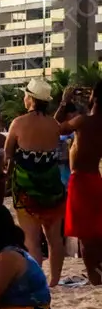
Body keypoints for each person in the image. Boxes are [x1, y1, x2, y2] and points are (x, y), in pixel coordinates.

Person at [4, 78, 65, 286]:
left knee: (31, 239)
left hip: (26, 187)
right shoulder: (54, 125)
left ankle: (37, 279)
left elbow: (8, 153)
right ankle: (55, 280)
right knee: (54, 238)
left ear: (29, 98)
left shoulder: (18, 123)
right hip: (52, 186)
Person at [56, 82, 102, 285]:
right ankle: (98, 272)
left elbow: (56, 128)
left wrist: (64, 102)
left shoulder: (83, 121)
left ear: (95, 98)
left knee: (84, 234)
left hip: (80, 179)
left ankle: (94, 277)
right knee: (97, 230)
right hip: (95, 177)